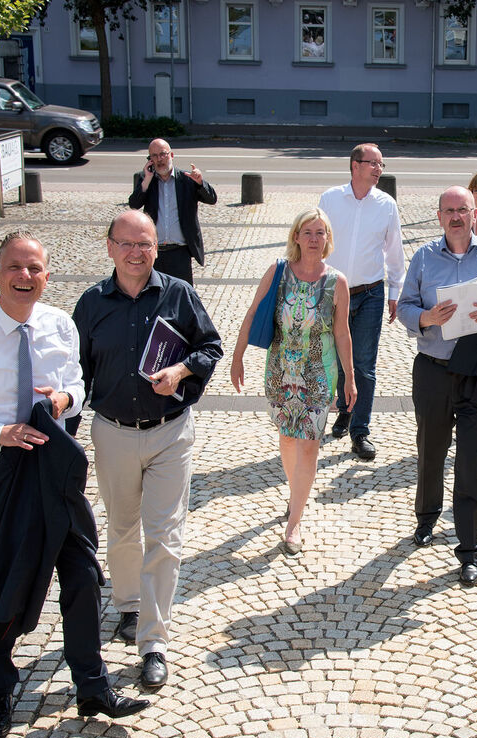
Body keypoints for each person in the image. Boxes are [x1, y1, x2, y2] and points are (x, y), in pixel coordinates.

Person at [0, 231, 149, 738]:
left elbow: (77, 385)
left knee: (85, 574)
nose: (26, 277)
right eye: (16, 268)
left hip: (54, 469)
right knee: (1, 581)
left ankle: (92, 685)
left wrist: (65, 400)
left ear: (47, 276)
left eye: (35, 269)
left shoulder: (60, 325)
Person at [72, 210, 224, 691]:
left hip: (169, 432)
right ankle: (128, 606)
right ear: (110, 247)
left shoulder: (179, 294)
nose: (137, 252)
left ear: (157, 248)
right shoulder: (91, 304)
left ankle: (154, 642)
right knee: (120, 528)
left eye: (146, 244)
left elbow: (211, 347)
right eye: (127, 243)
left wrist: (181, 372)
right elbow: (75, 376)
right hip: (113, 431)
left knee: (164, 535)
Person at [397, 186, 477, 588]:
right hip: (434, 368)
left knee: (474, 460)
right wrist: (427, 317)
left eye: (462, 210)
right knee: (431, 449)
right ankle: (427, 517)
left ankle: (469, 549)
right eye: (448, 211)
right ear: (439, 216)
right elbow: (403, 307)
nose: (455, 217)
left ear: (475, 213)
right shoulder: (422, 257)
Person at [229, 209, 357, 553]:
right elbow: (254, 312)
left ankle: (294, 520)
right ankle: (295, 492)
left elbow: (343, 333)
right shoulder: (278, 271)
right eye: (308, 232)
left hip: (318, 372)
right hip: (280, 369)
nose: (315, 239)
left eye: (321, 233)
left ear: (328, 239)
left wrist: (350, 378)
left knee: (310, 443)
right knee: (287, 438)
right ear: (296, 237)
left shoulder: (337, 282)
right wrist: (238, 356)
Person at [319, 143, 406, 461]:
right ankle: (344, 410)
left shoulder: (386, 205)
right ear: (354, 165)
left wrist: (395, 292)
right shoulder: (330, 199)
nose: (379, 169)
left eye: (381, 164)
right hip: (332, 293)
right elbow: (316, 241)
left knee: (364, 366)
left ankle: (360, 432)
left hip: (370, 293)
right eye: (373, 163)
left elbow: (395, 252)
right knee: (337, 360)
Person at [127, 138, 218, 284]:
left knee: (181, 297)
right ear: (150, 160)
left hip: (180, 253)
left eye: (163, 154)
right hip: (154, 253)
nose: (159, 159)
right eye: (154, 156)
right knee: (153, 296)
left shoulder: (187, 179)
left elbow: (212, 199)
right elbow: (134, 204)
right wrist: (146, 181)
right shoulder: (147, 179)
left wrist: (200, 182)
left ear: (172, 155)